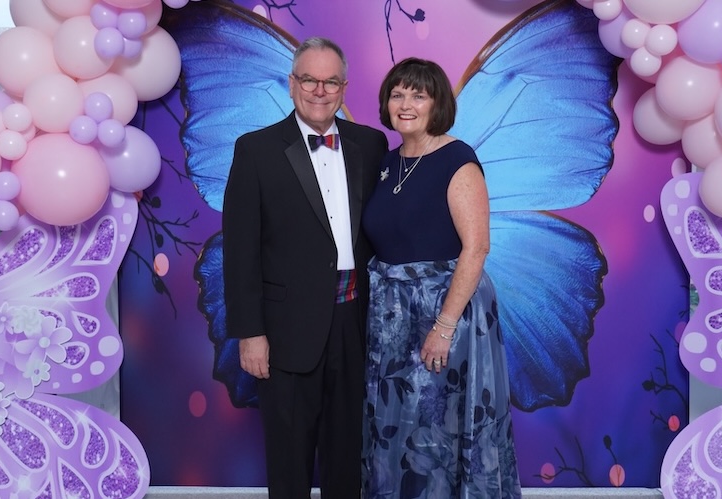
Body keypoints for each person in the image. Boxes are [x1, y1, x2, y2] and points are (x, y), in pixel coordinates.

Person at [222, 37, 388, 499]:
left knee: (347, 453)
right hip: (284, 328)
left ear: (344, 88)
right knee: (289, 457)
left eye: (330, 81)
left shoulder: (371, 144)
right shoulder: (255, 150)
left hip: (354, 320)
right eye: (309, 80)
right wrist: (250, 333)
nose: (319, 90)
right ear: (292, 84)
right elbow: (240, 249)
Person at [361, 57, 522, 498]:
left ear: (437, 105)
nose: (405, 104)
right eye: (397, 94)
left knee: (434, 428)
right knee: (396, 423)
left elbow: (477, 247)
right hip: (391, 319)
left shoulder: (457, 159)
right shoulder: (386, 163)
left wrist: (444, 327)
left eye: (419, 95)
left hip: (445, 313)